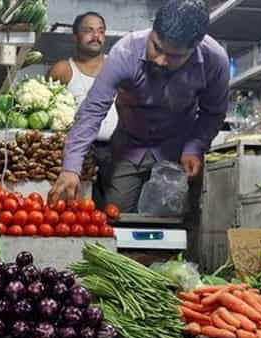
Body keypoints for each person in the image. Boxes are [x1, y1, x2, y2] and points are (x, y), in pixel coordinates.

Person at [48, 0, 229, 213]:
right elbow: (93, 111)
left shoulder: (215, 61)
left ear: (196, 46)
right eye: (156, 48)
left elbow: (213, 113)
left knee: (177, 219)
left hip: (178, 151)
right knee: (117, 213)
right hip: (129, 147)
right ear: (153, 30)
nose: (161, 60)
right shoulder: (126, 51)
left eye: (174, 56)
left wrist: (195, 147)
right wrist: (71, 168)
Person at [47, 11, 119, 201]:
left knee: (113, 208)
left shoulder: (117, 66)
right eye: (89, 31)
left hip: (116, 151)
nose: (96, 36)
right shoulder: (63, 70)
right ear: (75, 36)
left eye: (101, 31)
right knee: (79, 207)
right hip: (77, 153)